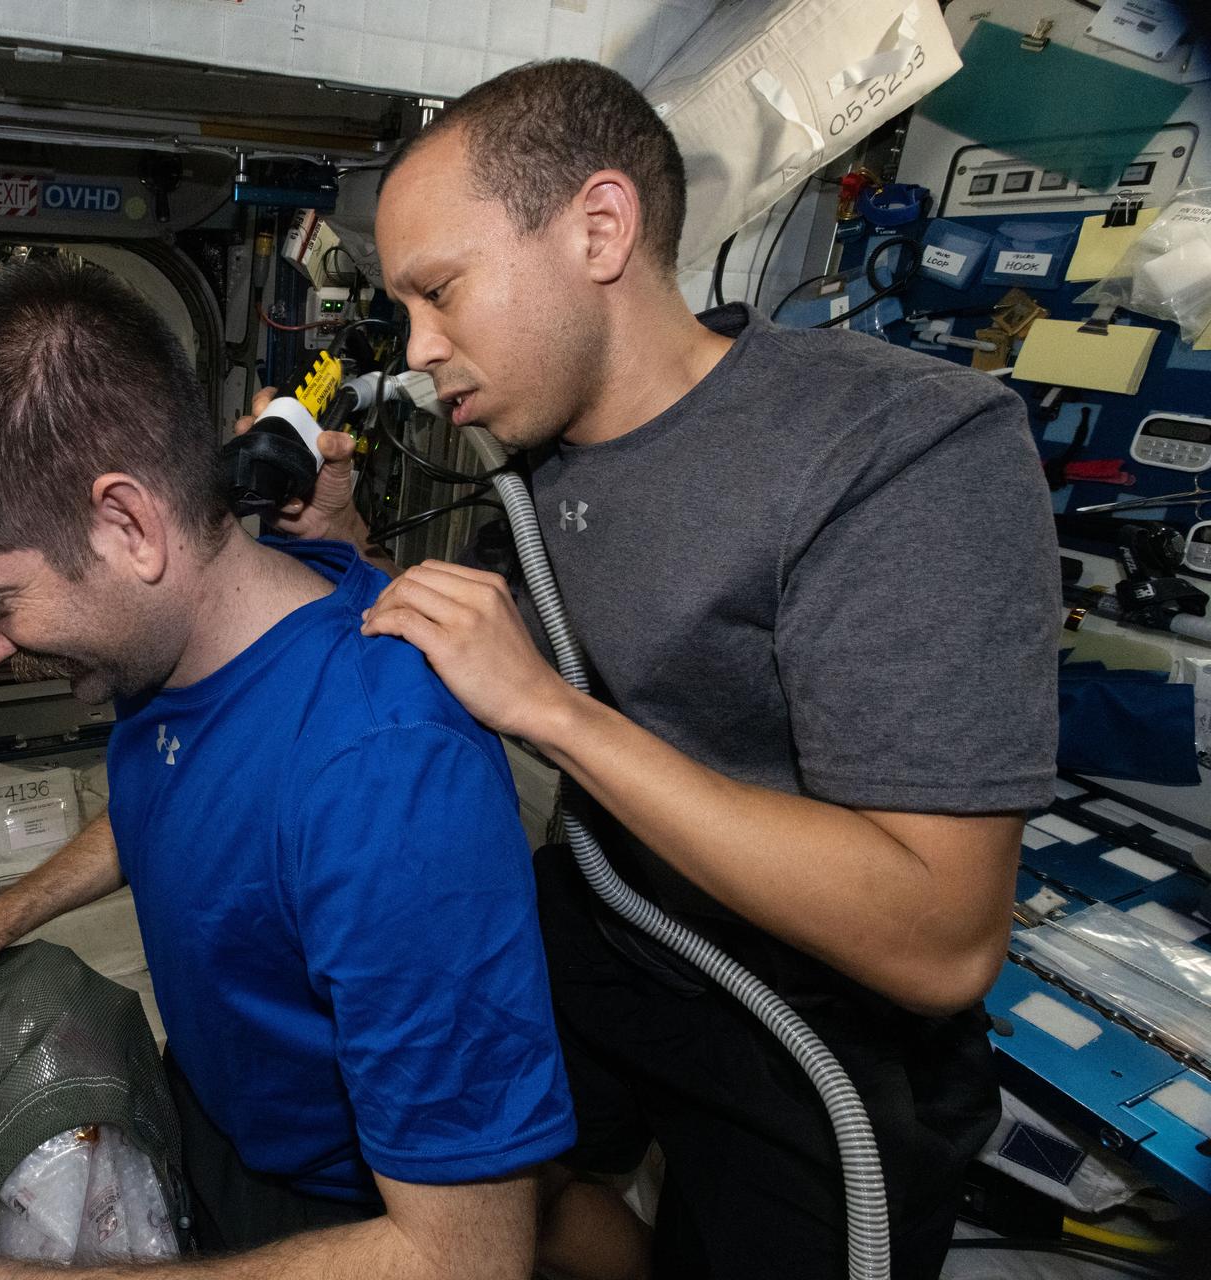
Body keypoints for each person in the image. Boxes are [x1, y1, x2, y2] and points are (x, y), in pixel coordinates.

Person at [255, 59, 1060, 1280]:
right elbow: (491, 648)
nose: (419, 350)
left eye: (441, 290)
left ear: (598, 227)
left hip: (812, 1027)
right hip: (617, 931)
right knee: (427, 1145)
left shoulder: (898, 448)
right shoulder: (538, 472)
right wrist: (354, 546)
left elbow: (942, 936)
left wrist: (551, 712)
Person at [0, 258, 578, 1280]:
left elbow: (465, 1259)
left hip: (348, 1214)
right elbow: (166, 799)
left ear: (127, 525)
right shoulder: (166, 647)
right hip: (215, 1105)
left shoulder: (386, 779)